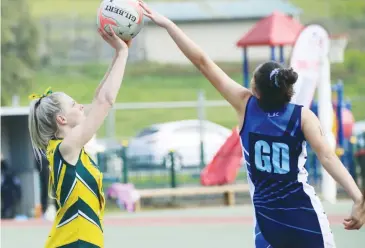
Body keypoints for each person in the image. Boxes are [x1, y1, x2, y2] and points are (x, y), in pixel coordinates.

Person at [138, 1, 365, 247]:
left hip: (268, 225)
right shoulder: (302, 116)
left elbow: (202, 62)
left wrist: (169, 25)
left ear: (256, 91)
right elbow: (328, 158)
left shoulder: (246, 106)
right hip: (304, 217)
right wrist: (357, 197)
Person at [28, 26, 130, 248]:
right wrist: (123, 55)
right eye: (74, 104)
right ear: (62, 119)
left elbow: (98, 96)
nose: (82, 106)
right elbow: (105, 101)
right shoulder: (66, 148)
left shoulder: (71, 150)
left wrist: (117, 53)